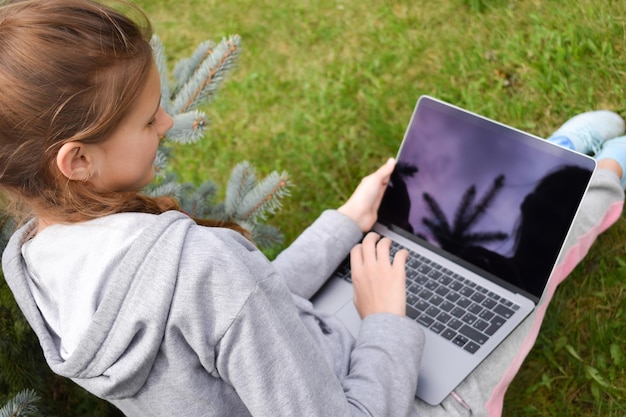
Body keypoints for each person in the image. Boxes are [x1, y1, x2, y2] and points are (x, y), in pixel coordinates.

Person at [0, 2, 624, 417]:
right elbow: (226, 294)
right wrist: (386, 322)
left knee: (401, 252)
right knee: (515, 277)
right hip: (377, 397)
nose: (167, 121)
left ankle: (553, 160)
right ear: (76, 161)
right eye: (146, 118)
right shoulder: (197, 265)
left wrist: (343, 223)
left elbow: (236, 307)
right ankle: (598, 180)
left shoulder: (34, 257)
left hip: (303, 366)